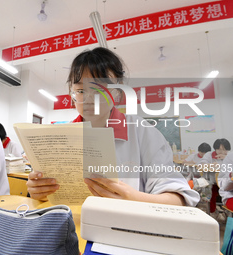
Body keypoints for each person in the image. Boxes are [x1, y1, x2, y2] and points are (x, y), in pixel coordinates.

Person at [27, 47, 200, 207]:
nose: (89, 99)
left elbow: (180, 198)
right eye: (80, 91)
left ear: (117, 92)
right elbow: (51, 197)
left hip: (125, 232)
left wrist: (134, 200)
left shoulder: (141, 131)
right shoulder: (61, 137)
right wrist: (40, 192)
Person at [199, 138, 231, 217]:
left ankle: (226, 213)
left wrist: (226, 158)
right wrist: (211, 164)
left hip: (227, 183)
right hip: (212, 181)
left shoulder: (230, 156)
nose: (222, 152)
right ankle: (212, 212)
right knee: (211, 191)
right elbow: (202, 165)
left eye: (225, 150)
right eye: (219, 149)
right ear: (215, 149)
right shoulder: (209, 155)